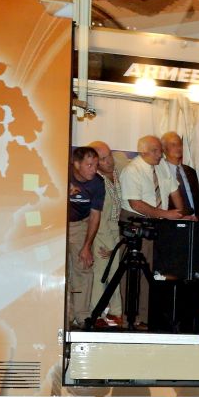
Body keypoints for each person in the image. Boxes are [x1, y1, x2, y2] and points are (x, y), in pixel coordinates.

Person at [119, 134, 191, 326]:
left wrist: (181, 214)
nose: (160, 154)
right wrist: (165, 214)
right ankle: (131, 318)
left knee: (153, 270)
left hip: (158, 223)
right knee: (134, 272)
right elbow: (136, 204)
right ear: (143, 151)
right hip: (136, 222)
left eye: (160, 150)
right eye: (155, 150)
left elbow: (174, 191)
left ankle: (148, 315)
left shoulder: (161, 167)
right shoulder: (131, 170)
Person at [67, 146, 105, 328]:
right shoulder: (63, 173)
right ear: (76, 164)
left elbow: (95, 215)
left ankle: (82, 316)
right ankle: (65, 315)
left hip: (81, 224)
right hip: (57, 224)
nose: (94, 169)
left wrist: (87, 246)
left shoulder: (97, 183)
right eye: (89, 165)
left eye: (96, 165)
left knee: (83, 266)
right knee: (61, 270)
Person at [87, 140, 124, 327]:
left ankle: (116, 313)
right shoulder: (96, 181)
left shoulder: (118, 172)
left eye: (109, 155)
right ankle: (97, 314)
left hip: (116, 230)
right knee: (101, 274)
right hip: (102, 231)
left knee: (114, 274)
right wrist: (110, 243)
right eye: (102, 159)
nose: (108, 161)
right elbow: (98, 216)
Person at [161, 131, 199, 220]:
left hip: (194, 221)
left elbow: (197, 200)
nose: (178, 148)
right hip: (171, 223)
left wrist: (198, 217)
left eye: (180, 144)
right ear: (164, 148)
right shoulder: (160, 172)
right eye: (173, 145)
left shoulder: (191, 171)